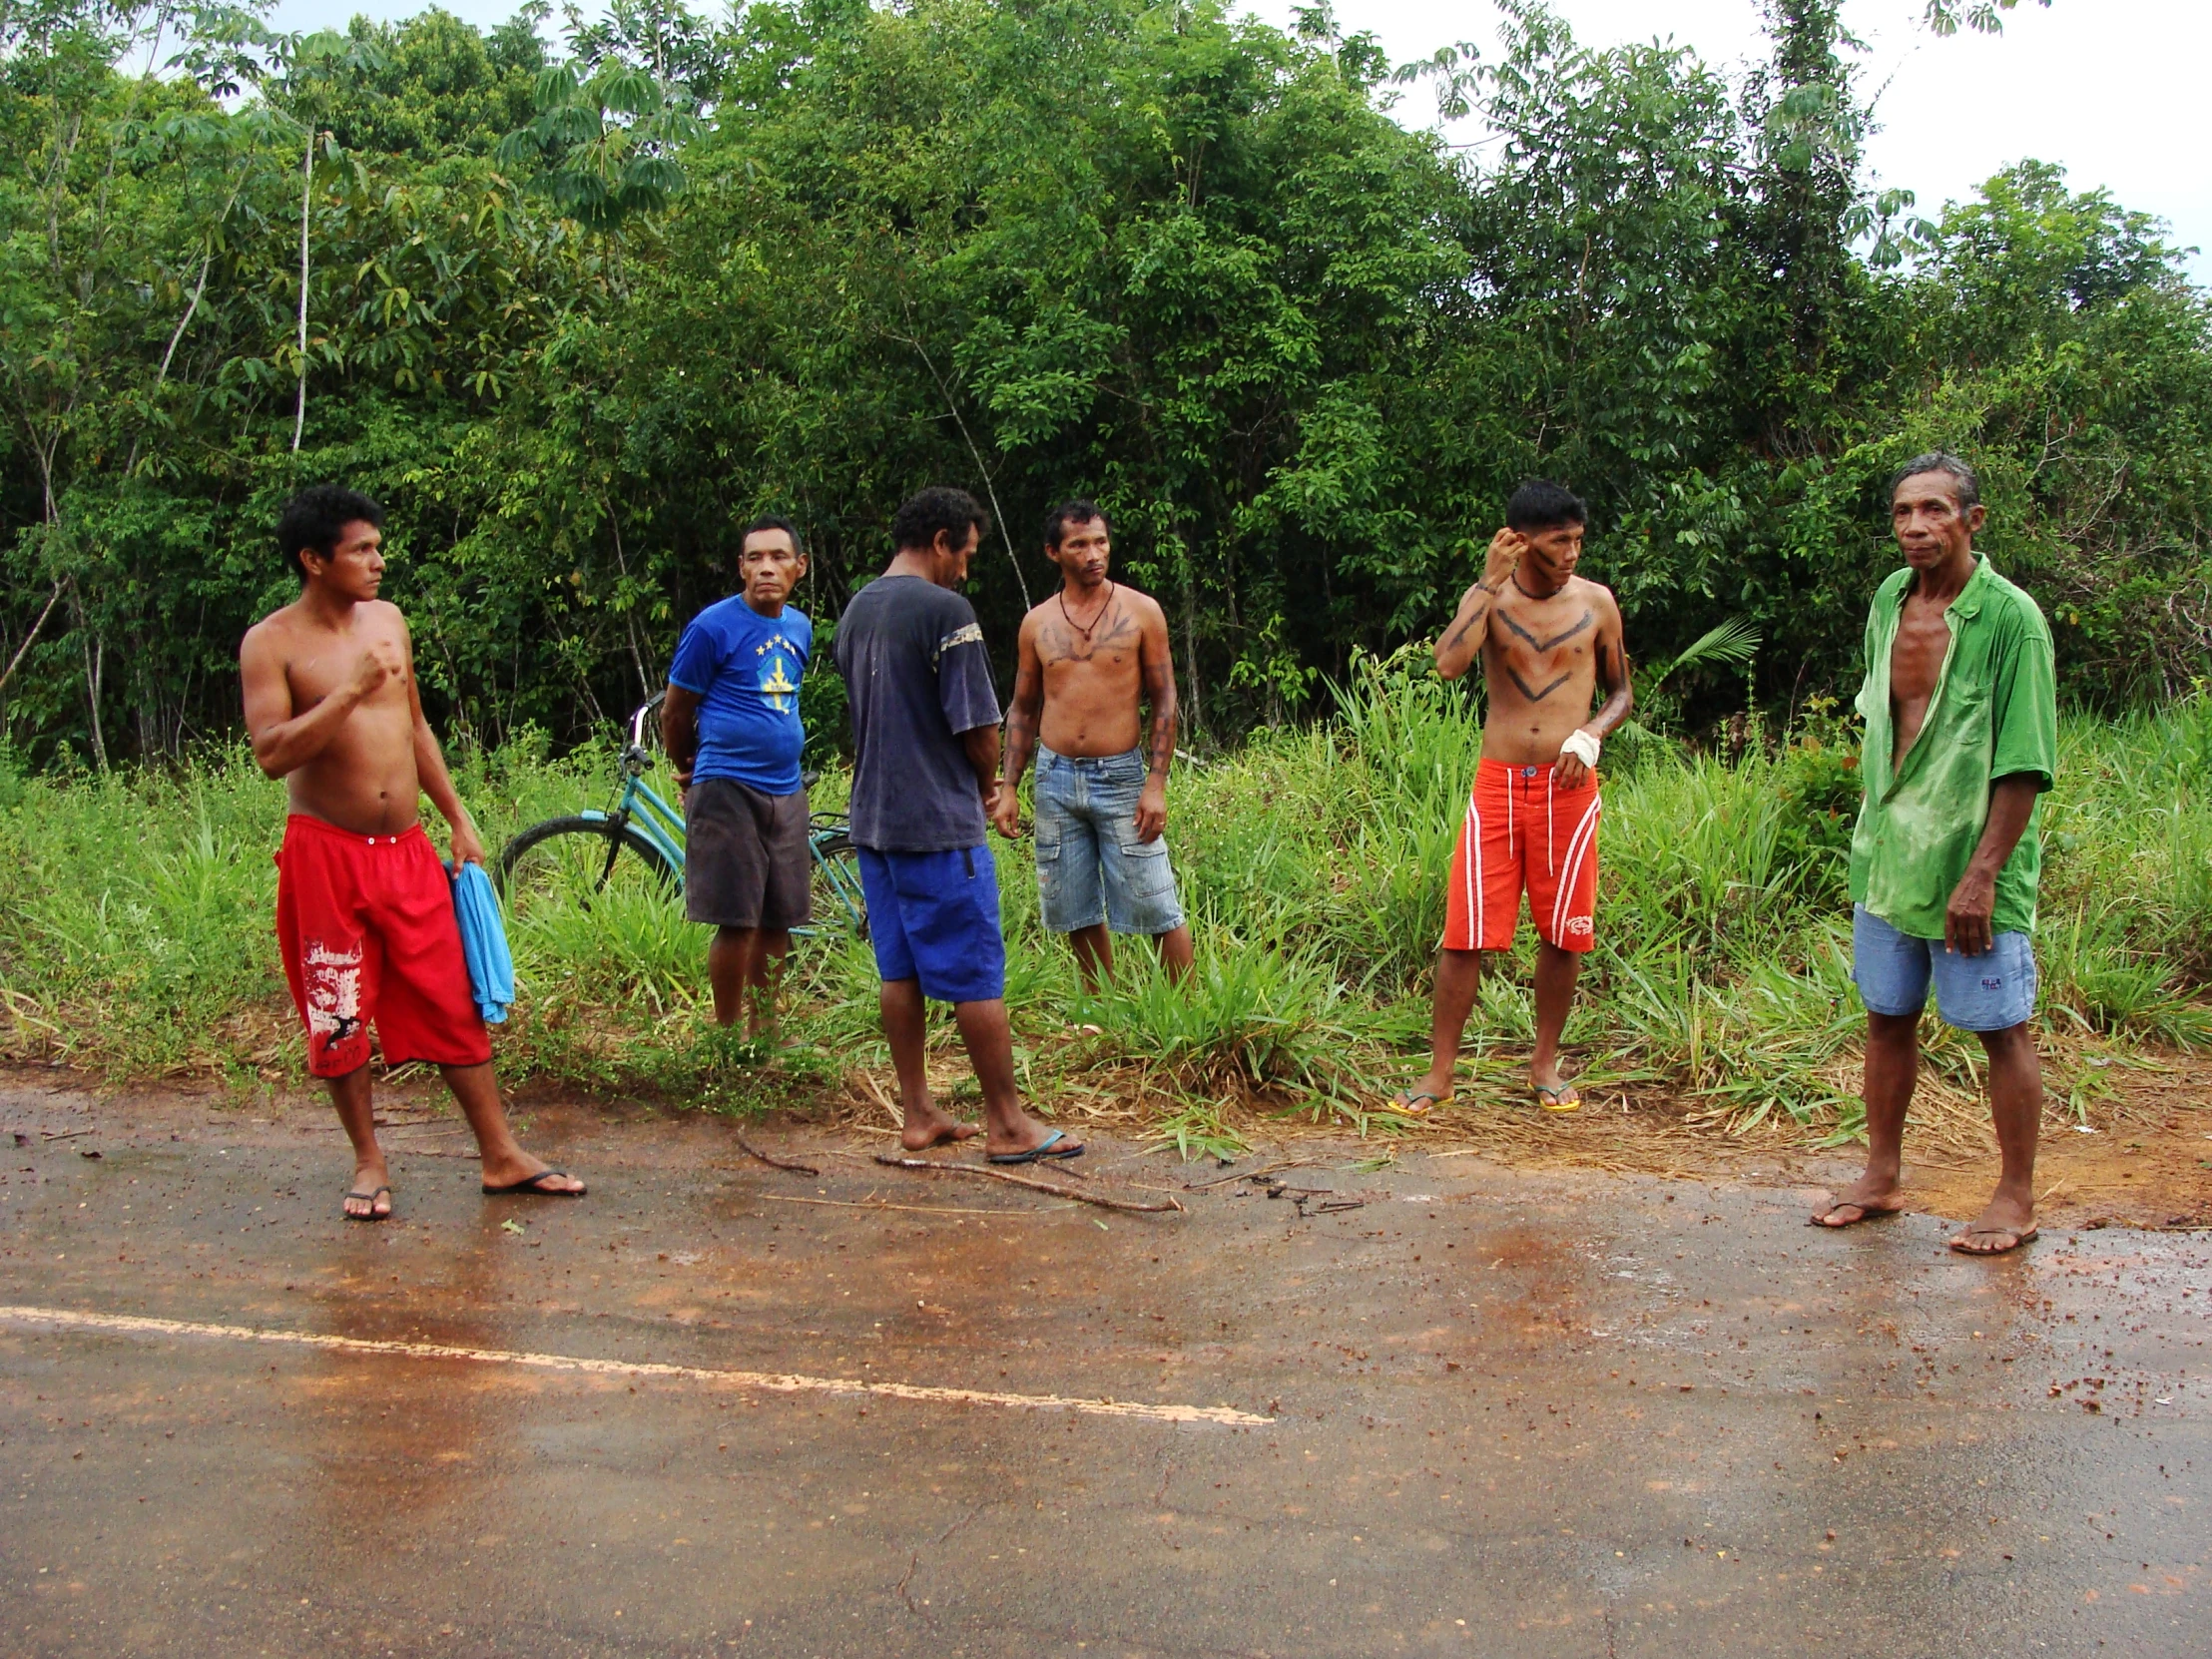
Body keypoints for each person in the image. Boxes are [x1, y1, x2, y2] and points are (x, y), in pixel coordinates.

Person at [240, 485, 585, 1220]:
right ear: (313, 560)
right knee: (338, 1013)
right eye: (360, 549)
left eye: (376, 545)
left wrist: (457, 817)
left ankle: (500, 1156)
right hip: (325, 856)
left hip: (407, 852)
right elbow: (271, 754)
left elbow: (417, 728)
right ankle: (369, 1163)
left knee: (450, 993)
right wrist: (348, 692)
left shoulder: (389, 621)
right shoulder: (271, 643)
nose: (378, 561)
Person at [1812, 453, 2056, 1255]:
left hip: (1971, 861)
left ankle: (2014, 1197)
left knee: (1999, 1026)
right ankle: (1882, 1176)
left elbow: (2023, 759)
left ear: (1972, 521)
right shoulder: (1890, 599)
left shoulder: (2012, 619)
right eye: (1902, 512)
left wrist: (1983, 875)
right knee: (1887, 1019)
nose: (1916, 526)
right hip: (1888, 856)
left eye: (1934, 511)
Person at [833, 486, 1081, 1164]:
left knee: (901, 969)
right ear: (941, 541)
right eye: (966, 552)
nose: (967, 569)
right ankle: (1008, 1125)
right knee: (975, 972)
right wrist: (988, 787)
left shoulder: (858, 608)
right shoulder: (947, 611)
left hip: (874, 821)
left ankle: (919, 1113)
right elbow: (978, 725)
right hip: (937, 823)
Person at [1392, 479, 1633, 1116]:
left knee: (1565, 933)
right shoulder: (1492, 602)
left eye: (1579, 540)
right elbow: (1447, 665)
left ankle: (1544, 1065)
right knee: (1465, 932)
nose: (1573, 553)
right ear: (1521, 541)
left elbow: (1621, 695)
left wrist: (1590, 734)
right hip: (1498, 783)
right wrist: (1485, 581)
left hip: (1568, 789)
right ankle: (1440, 1074)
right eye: (1560, 542)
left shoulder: (1598, 604)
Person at [994, 500, 1195, 989]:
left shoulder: (1141, 611)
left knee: (1155, 900)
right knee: (1072, 902)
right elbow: (1022, 707)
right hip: (1055, 775)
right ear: (1053, 552)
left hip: (1121, 775)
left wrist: (1156, 783)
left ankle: (1187, 1013)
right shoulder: (1037, 623)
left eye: (1100, 541)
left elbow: (1166, 698)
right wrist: (1009, 786)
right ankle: (1099, 1007)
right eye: (1078, 544)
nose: (1093, 553)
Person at [662, 515, 815, 1041]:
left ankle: (765, 1029)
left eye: (777, 557)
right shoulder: (712, 627)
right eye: (754, 558)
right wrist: (689, 771)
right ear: (741, 568)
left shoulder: (799, 627)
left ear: (800, 567)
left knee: (778, 919)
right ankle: (727, 1035)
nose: (766, 568)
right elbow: (677, 711)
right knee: (738, 919)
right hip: (727, 785)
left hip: (786, 787)